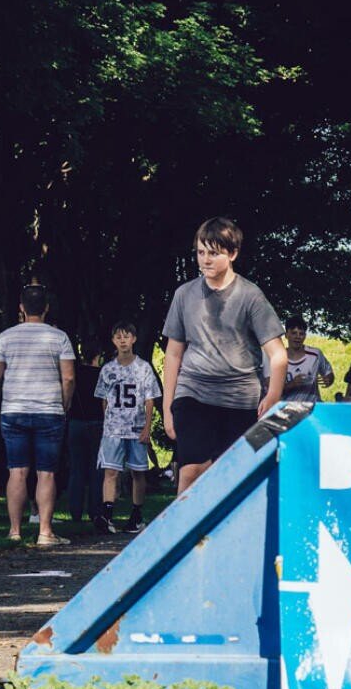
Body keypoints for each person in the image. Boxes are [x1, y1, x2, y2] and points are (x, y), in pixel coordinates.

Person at [161, 217, 287, 494]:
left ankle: (227, 537)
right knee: (192, 470)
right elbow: (172, 353)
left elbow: (278, 355)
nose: (205, 260)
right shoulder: (184, 294)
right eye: (200, 252)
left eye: (213, 253)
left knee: (233, 477)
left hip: (241, 398)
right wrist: (167, 405)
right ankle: (189, 537)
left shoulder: (251, 296)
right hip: (193, 392)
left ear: (232, 254)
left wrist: (273, 396)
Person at [0, 285, 76, 546]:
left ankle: (14, 531)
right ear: (46, 308)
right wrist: (65, 402)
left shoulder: (6, 337)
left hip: (14, 410)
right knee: (46, 473)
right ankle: (45, 532)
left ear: (21, 308)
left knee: (17, 472)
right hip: (49, 410)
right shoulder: (59, 338)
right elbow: (69, 377)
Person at [94, 320, 161, 534]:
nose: (123, 340)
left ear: (133, 339)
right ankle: (107, 514)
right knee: (110, 471)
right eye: (118, 337)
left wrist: (146, 428)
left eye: (126, 336)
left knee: (137, 472)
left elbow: (149, 399)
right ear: (113, 340)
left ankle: (136, 514)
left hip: (136, 427)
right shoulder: (107, 369)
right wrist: (109, 420)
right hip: (114, 428)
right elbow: (103, 399)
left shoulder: (143, 368)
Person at [66, 348, 105, 527]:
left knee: (77, 469)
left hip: (76, 422)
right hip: (97, 422)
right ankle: (95, 510)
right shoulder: (102, 374)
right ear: (97, 356)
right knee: (96, 469)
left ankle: (75, 510)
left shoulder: (76, 373)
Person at [280, 316, 334, 403]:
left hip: (312, 406)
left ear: (305, 336)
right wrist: (291, 384)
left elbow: (329, 374)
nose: (298, 337)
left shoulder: (315, 354)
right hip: (287, 408)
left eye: (301, 334)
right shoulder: (278, 358)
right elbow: (270, 390)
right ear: (286, 335)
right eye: (294, 333)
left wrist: (328, 380)